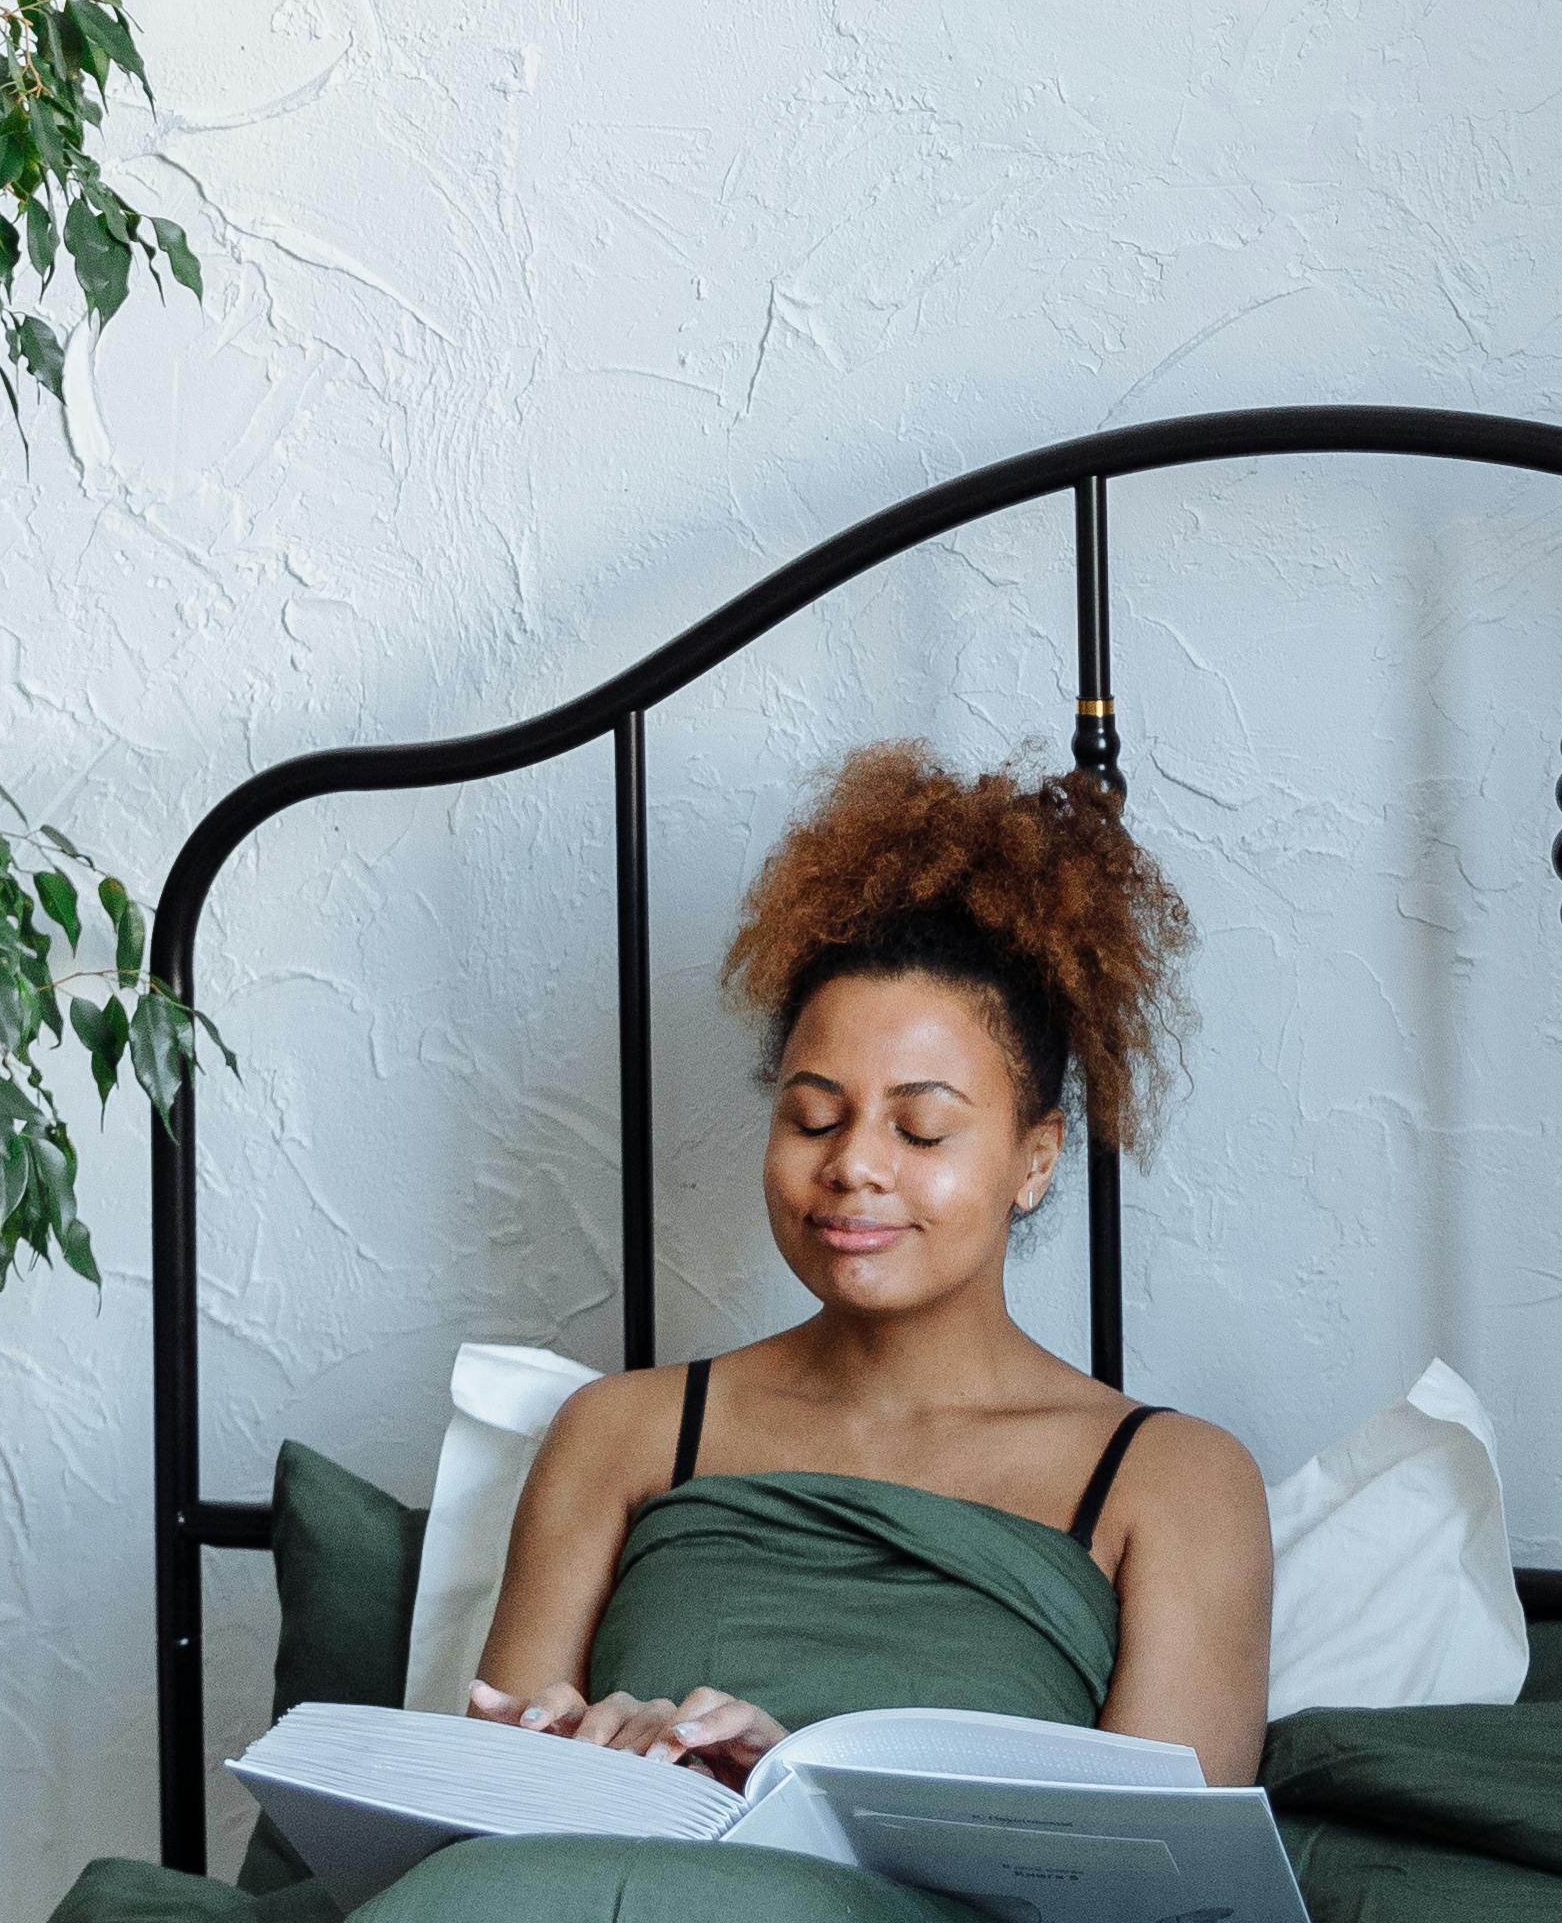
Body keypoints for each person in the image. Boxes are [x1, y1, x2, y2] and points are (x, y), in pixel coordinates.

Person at [471, 743, 1273, 1785]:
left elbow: (1163, 1909)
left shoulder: (1174, 1484)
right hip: (573, 1919)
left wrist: (795, 1789)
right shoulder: (618, 1432)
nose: (851, 1164)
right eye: (812, 1116)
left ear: (1036, 1157)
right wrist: (594, 1766)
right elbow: (478, 1804)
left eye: (922, 1130)